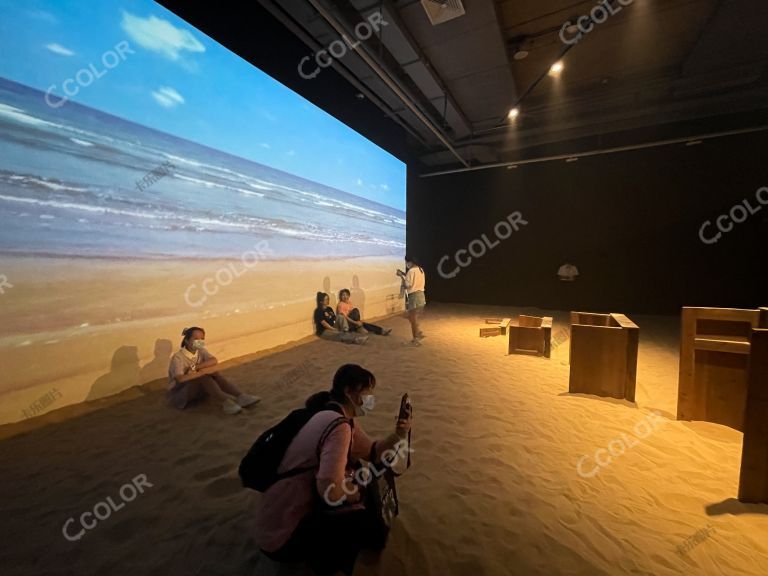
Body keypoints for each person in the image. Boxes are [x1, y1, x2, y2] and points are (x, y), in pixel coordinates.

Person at [254, 364, 412, 575]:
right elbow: (329, 491)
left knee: (359, 477)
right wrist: (357, 493)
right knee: (358, 514)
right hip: (283, 538)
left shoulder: (335, 416)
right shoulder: (338, 427)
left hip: (272, 524)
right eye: (366, 392)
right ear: (349, 391)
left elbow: (374, 453)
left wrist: (399, 435)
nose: (370, 398)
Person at [167, 327, 260, 415]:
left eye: (201, 339)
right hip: (180, 394)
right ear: (187, 340)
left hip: (198, 390)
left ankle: (240, 396)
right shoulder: (178, 358)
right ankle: (225, 401)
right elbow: (180, 379)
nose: (199, 342)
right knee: (203, 375)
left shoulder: (200, 350)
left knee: (213, 373)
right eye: (195, 339)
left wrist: (196, 367)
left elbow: (214, 360)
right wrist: (201, 372)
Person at [397, 255, 426, 346]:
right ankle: (418, 333)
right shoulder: (420, 269)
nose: (406, 264)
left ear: (409, 262)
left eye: (406, 262)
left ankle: (415, 340)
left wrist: (401, 276)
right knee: (412, 317)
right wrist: (403, 273)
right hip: (421, 295)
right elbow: (413, 278)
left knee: (413, 319)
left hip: (414, 296)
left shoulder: (411, 271)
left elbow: (407, 285)